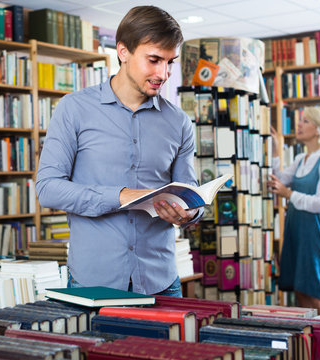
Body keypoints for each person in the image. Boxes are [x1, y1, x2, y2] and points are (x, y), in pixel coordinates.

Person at [35, 6, 202, 296]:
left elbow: (189, 190)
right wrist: (121, 195)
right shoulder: (73, 109)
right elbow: (48, 188)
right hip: (94, 283)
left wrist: (191, 212)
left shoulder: (180, 123)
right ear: (123, 51)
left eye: (170, 62)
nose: (163, 73)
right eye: (154, 60)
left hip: (160, 283)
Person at [268, 106, 320, 315]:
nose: (298, 125)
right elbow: (280, 181)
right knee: (301, 293)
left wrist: (289, 194)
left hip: (317, 238)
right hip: (298, 233)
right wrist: (275, 151)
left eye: (305, 121)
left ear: (319, 129)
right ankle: (314, 346)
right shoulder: (301, 159)